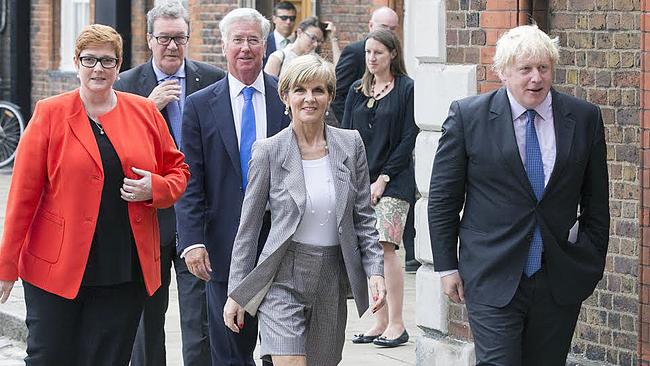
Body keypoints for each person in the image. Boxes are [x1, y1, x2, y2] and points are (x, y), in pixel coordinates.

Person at [0, 24, 189, 365]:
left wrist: (155, 189)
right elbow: (22, 197)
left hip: (123, 268)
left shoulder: (144, 112)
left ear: (119, 66)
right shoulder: (49, 113)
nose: (98, 69)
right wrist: (6, 266)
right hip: (55, 267)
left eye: (107, 61)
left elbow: (178, 172)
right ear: (76, 63)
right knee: (49, 357)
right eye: (89, 60)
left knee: (109, 358)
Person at [428, 24, 610, 365]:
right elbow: (443, 198)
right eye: (525, 69)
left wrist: (590, 261)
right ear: (503, 72)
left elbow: (597, 201)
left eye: (543, 68)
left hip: (557, 276)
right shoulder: (469, 117)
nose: (536, 79)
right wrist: (446, 267)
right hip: (491, 271)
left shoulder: (583, 118)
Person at [223, 54, 386, 366]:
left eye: (318, 90)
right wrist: (237, 292)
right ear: (286, 97)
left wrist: (375, 271)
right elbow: (249, 228)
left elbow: (364, 220)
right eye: (300, 90)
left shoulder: (350, 145)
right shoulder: (269, 151)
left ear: (330, 97)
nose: (309, 99)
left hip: (331, 277)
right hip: (283, 275)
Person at [175, 8, 290, 365]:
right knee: (230, 353)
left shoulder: (286, 99)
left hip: (280, 248)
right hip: (223, 250)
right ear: (223, 46)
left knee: (282, 350)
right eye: (237, 40)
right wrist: (192, 241)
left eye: (253, 40)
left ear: (265, 46)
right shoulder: (198, 106)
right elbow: (190, 181)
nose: (245, 48)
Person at [113, 3, 225, 366]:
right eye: (164, 39)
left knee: (201, 319)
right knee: (148, 319)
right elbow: (112, 148)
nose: (173, 47)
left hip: (198, 219)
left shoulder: (211, 79)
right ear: (149, 40)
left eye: (180, 38)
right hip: (149, 219)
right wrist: (148, 107)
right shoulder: (128, 85)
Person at [341, 29, 416, 348]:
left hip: (395, 182)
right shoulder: (358, 90)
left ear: (393, 55)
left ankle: (398, 323)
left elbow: (409, 136)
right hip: (360, 181)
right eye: (368, 53)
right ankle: (380, 320)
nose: (371, 58)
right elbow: (345, 135)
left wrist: (383, 178)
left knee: (386, 247)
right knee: (367, 251)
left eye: (378, 53)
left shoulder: (406, 89)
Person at [331, 6, 398, 123]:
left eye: (392, 29)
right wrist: (352, 127)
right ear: (371, 26)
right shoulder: (355, 51)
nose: (387, 32)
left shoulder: (395, 54)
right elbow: (338, 95)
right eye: (383, 27)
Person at [264, 17, 341, 78]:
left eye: (319, 41)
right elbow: (268, 89)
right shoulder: (279, 57)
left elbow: (338, 72)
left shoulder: (315, 60)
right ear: (299, 32)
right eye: (312, 38)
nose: (315, 44)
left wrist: (333, 39)